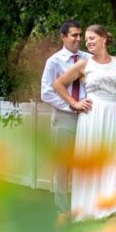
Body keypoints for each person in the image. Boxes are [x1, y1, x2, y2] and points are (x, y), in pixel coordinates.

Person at [52, 20, 116, 221]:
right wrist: (74, 103)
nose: (88, 43)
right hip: (93, 117)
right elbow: (58, 84)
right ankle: (92, 204)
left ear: (103, 38)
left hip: (114, 115)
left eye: (92, 38)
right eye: (86, 40)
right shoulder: (84, 64)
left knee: (115, 157)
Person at [40, 20, 91, 213]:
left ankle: (84, 205)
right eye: (74, 35)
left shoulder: (88, 58)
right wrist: (72, 105)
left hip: (88, 117)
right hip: (64, 117)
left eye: (80, 35)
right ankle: (62, 209)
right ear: (63, 37)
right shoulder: (54, 61)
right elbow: (46, 93)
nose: (79, 39)